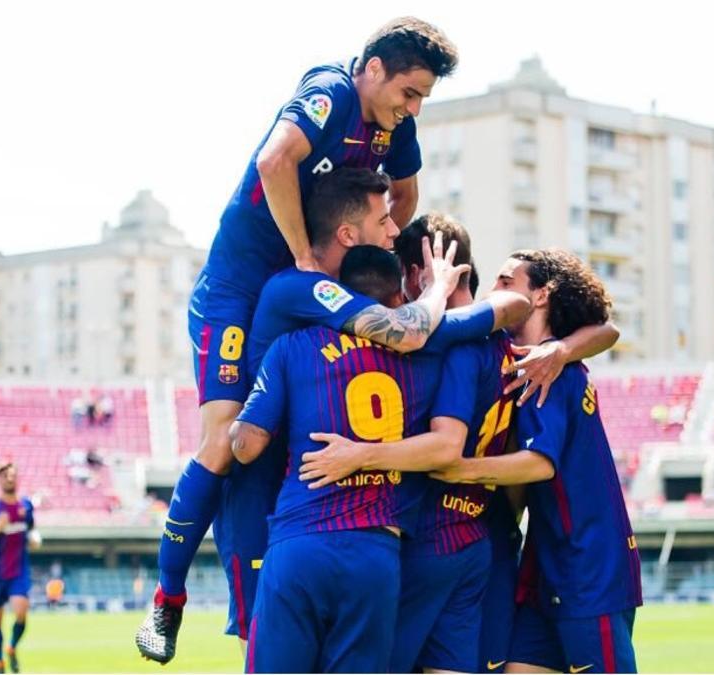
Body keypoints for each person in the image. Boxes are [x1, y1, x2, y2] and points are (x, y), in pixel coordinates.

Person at [137, 19, 459, 664]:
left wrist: (388, 246)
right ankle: (167, 597)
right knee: (225, 443)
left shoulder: (397, 127)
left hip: (311, 276)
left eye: (423, 97)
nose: (414, 108)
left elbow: (403, 191)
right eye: (409, 92)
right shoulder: (330, 90)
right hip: (243, 284)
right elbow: (274, 159)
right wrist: (306, 260)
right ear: (373, 69)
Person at [296, 224, 618, 674]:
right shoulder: (518, 352)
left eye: (506, 282)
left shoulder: (432, 343)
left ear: (415, 274)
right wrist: (561, 348)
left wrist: (360, 455)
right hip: (487, 542)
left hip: (427, 538)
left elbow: (453, 449)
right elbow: (606, 331)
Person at [230, 244, 486, 672]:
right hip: (374, 552)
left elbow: (247, 445)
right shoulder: (425, 352)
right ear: (398, 296)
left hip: (300, 541)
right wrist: (438, 288)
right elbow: (505, 310)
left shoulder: (291, 346)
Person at [431, 249, 642, 674]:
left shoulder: (551, 368)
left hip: (587, 568)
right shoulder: (539, 359)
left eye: (507, 281)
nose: (495, 291)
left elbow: (539, 464)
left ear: (542, 295)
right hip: (543, 567)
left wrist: (458, 469)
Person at [0, 461, 41, 674]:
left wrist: (35, 537)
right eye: (5, 475)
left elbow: (32, 528)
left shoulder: (26, 505)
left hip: (19, 570)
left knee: (20, 612)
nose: (10, 479)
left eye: (12, 475)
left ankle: (11, 647)